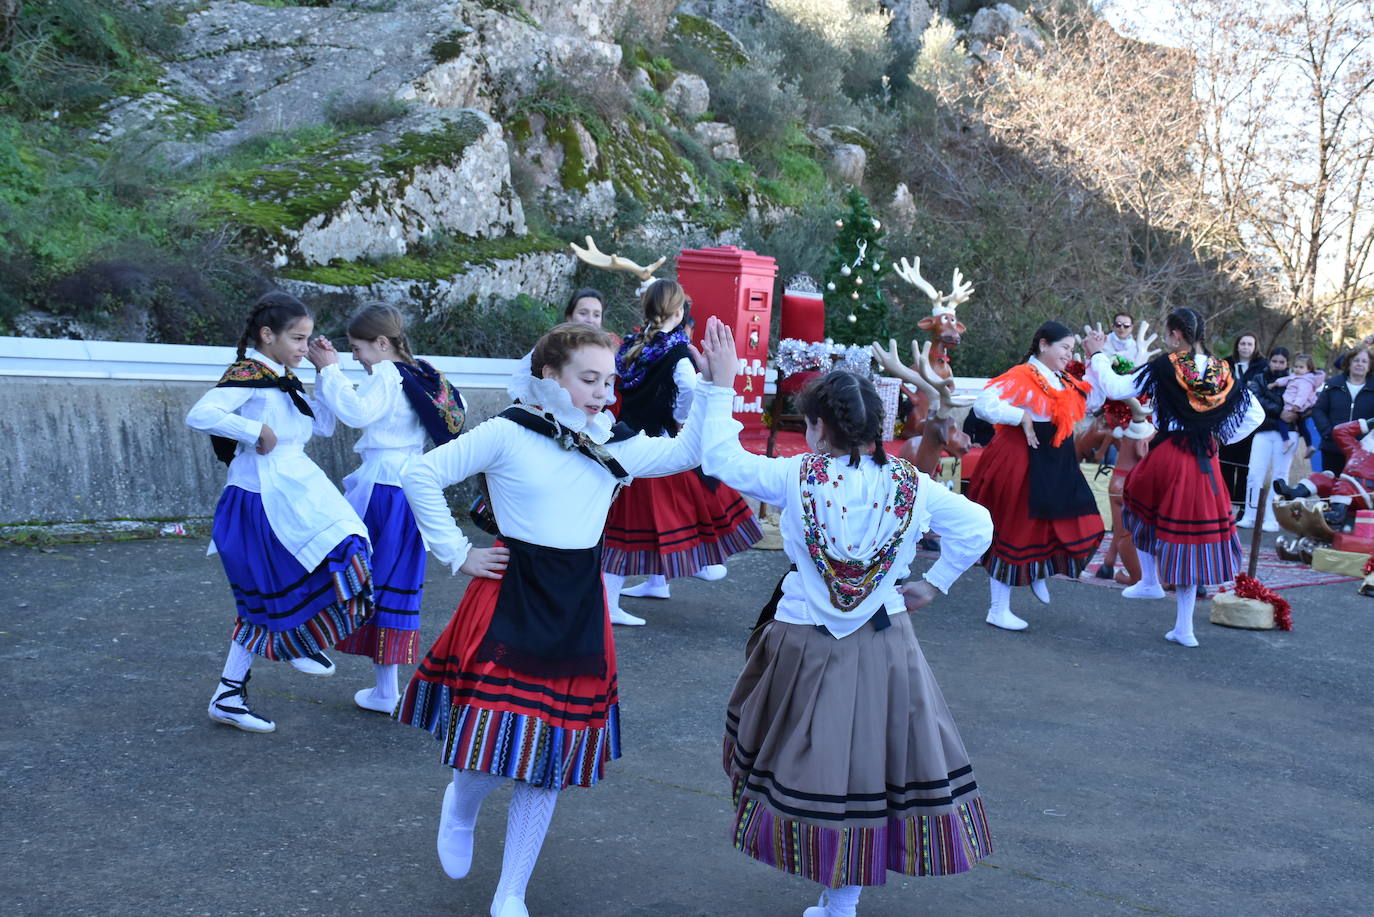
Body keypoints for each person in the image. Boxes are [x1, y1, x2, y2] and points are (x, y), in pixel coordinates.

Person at [394, 322, 738, 917]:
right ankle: (462, 804)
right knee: (493, 742)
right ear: (550, 375)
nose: (603, 392)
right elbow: (419, 474)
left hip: (578, 604)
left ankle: (511, 893)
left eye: (609, 380)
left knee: (548, 757)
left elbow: (688, 453)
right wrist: (456, 552)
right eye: (588, 378)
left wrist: (717, 388)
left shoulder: (610, 445)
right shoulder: (507, 431)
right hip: (512, 596)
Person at [696, 321, 994, 917]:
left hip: (804, 639)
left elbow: (718, 457)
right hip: (885, 642)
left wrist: (719, 388)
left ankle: (836, 891)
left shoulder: (795, 476)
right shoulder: (912, 485)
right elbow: (978, 526)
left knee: (809, 758)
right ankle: (842, 900)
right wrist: (932, 585)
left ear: (818, 427)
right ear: (875, 429)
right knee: (869, 766)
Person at [186, 292, 374, 733]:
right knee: (272, 593)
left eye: (308, 339)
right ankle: (283, 647)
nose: (303, 347)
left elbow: (325, 425)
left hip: (296, 490)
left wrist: (328, 371)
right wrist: (253, 430)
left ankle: (274, 655)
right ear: (267, 335)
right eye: (297, 338)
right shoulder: (249, 375)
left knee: (346, 551)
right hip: (261, 497)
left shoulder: (285, 377)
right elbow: (201, 414)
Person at [307, 303, 467, 713]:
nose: (356, 357)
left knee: (344, 567)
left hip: (382, 487)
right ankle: (384, 690)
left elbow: (356, 413)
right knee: (393, 584)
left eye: (359, 348)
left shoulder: (388, 373)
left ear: (382, 343)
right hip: (412, 486)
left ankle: (303, 642)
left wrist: (328, 370)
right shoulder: (422, 373)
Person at [1087, 307, 1263, 648]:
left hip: (1169, 454)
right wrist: (1217, 435)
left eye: (1168, 333)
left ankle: (1150, 579)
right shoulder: (1222, 370)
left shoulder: (1165, 367)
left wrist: (1097, 355)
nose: (1168, 338)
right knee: (1190, 538)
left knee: (1136, 501)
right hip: (1203, 460)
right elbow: (1255, 413)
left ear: (1176, 335)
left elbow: (1117, 386)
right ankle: (1184, 628)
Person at [601, 280, 762, 626]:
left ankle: (657, 582)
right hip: (655, 445)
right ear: (679, 313)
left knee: (648, 520)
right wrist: (681, 420)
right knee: (632, 525)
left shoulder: (631, 345)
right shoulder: (679, 352)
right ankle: (610, 602)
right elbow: (689, 393)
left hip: (625, 437)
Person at [965, 321, 1106, 631]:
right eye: (1064, 348)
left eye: (1071, 348)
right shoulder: (1021, 376)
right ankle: (997, 608)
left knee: (1076, 517)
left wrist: (1096, 357)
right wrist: (1021, 416)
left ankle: (1038, 571)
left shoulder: (1064, 379)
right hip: (1023, 459)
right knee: (1013, 529)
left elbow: (1091, 401)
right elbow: (984, 405)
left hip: (1057, 461)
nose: (1068, 354)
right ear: (1043, 344)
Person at [1275, 419, 1374, 528]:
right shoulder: (1357, 448)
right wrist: (1370, 423)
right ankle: (1294, 493)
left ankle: (1337, 517)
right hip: (1345, 488)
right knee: (1319, 478)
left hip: (1365, 493)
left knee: (1343, 487)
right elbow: (1339, 431)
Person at [1238, 348, 1293, 532]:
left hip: (1287, 434)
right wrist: (1279, 409)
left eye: (1281, 362)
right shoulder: (1259, 379)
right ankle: (1250, 515)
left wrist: (1281, 409)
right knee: (1254, 474)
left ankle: (1272, 518)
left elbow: (1296, 405)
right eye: (1274, 361)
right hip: (1262, 431)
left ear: (1287, 364)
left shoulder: (1293, 381)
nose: (1277, 365)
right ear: (1269, 361)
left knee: (1280, 476)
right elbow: (1256, 402)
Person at [1219, 332, 1266, 513]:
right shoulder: (1226, 364)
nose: (1246, 347)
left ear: (1255, 347)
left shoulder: (1262, 366)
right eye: (1243, 343)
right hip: (1228, 420)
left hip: (1252, 422)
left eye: (1249, 344)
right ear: (1237, 345)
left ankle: (1242, 507)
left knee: (1246, 465)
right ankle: (1224, 504)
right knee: (1226, 463)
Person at [1312, 348, 1374, 476]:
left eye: (1364, 361)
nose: (1360, 364)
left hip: (1364, 452)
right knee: (1329, 488)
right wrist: (1328, 433)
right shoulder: (1333, 384)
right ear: (1348, 364)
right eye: (1356, 360)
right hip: (1332, 448)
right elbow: (1318, 410)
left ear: (1369, 366)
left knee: (1358, 492)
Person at [1268, 352, 1325, 464]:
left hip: (1295, 406)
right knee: (1302, 426)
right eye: (1296, 367)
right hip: (1295, 405)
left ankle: (1286, 440)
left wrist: (1296, 406)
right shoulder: (1295, 377)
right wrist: (1275, 383)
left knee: (1282, 421)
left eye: (1301, 367)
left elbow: (1302, 395)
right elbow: (1285, 380)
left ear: (1308, 369)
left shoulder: (1305, 381)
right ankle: (1309, 446)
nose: (1297, 369)